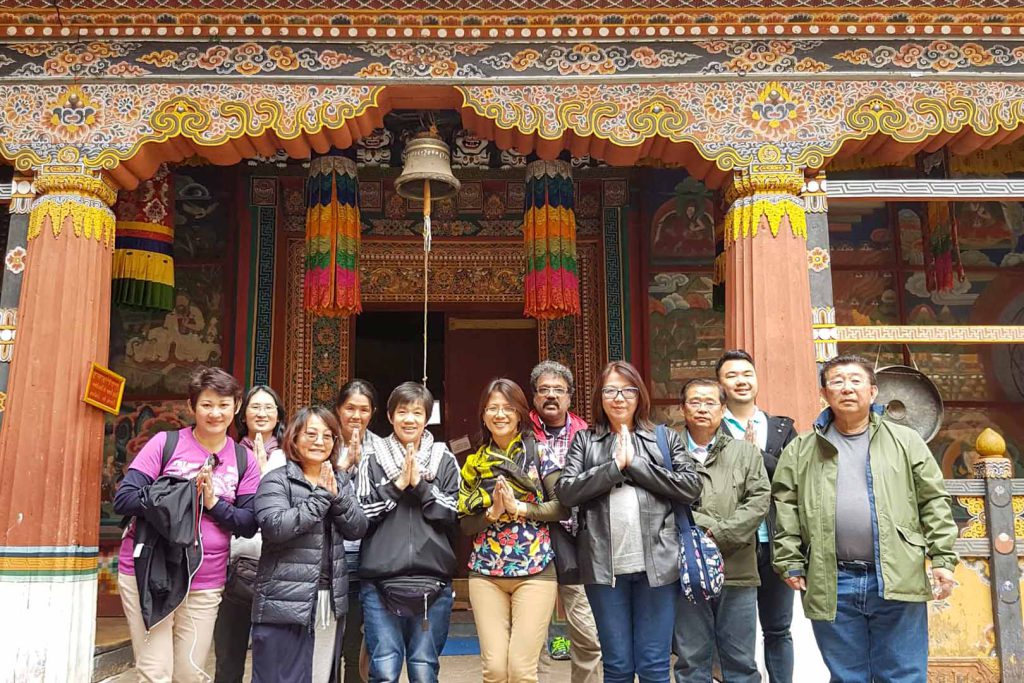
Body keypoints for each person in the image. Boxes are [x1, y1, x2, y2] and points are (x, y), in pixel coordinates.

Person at [773, 354, 959, 683]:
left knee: (902, 674)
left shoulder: (906, 441)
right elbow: (785, 506)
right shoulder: (801, 449)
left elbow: (934, 500)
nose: (847, 388)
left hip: (897, 574)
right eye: (837, 381)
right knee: (847, 676)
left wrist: (942, 557)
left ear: (873, 392)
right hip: (832, 579)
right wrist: (789, 559)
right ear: (824, 394)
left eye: (856, 381)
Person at [556, 360, 703, 683]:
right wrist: (612, 469)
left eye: (627, 390)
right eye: (610, 390)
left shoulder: (664, 437)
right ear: (600, 397)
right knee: (618, 665)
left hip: (659, 567)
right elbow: (566, 492)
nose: (619, 398)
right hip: (603, 567)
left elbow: (691, 486)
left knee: (653, 665)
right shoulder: (585, 441)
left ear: (640, 396)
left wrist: (634, 464)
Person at [113, 367, 260, 683]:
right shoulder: (165, 444)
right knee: (156, 671)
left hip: (206, 579)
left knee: (190, 673)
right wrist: (181, 493)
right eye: (207, 404)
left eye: (223, 404)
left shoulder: (243, 459)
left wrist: (213, 504)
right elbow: (124, 498)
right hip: (152, 571)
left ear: (237, 407)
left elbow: (248, 523)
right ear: (192, 407)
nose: (215, 413)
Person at [459, 378, 568, 683]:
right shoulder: (474, 463)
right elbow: (465, 523)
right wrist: (492, 514)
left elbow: (562, 507)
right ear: (483, 415)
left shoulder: (541, 455)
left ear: (520, 413)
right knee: (494, 670)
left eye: (507, 407)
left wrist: (520, 509)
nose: (500, 414)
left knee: (521, 671)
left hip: (535, 572)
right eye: (492, 408)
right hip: (486, 573)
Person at [251, 406, 369, 683]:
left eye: (327, 436)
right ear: (294, 438)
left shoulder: (339, 480)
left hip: (328, 598)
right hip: (284, 601)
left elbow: (357, 528)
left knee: (319, 675)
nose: (320, 442)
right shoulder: (277, 479)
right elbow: (275, 527)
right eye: (312, 434)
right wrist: (321, 497)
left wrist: (336, 497)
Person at [356, 382, 461, 683]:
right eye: (403, 412)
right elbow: (362, 515)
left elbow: (453, 512)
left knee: (424, 668)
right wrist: (398, 485)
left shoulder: (443, 458)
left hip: (434, 581)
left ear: (427, 418)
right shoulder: (372, 459)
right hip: (380, 581)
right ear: (390, 416)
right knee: (385, 671)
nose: (410, 419)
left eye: (418, 412)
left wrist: (422, 487)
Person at [671, 378, 770, 683]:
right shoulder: (666, 453)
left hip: (737, 568)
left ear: (723, 409)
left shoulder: (745, 452)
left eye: (710, 402)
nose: (702, 408)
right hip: (686, 569)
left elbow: (759, 500)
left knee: (740, 659)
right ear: (682, 408)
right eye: (694, 402)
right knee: (691, 659)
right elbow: (662, 503)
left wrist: (719, 535)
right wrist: (708, 528)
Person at [716, 349, 798, 683]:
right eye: (732, 375)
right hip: (735, 546)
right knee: (737, 632)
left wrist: (756, 456)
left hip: (777, 542)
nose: (741, 381)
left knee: (778, 628)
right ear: (720, 385)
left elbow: (794, 478)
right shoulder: (714, 428)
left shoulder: (781, 428)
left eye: (747, 373)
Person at [528, 360, 603, 683]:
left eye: (558, 390)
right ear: (533, 397)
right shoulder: (519, 434)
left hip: (578, 539)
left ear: (570, 398)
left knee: (586, 632)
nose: (551, 396)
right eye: (544, 390)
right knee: (532, 634)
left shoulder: (588, 436)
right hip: (530, 541)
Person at [214, 385, 288, 683]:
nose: (262, 413)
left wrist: (263, 476)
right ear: (242, 413)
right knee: (229, 658)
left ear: (279, 415)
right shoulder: (226, 452)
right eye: (255, 407)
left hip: (278, 568)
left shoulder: (291, 455)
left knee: (271, 659)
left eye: (269, 407)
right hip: (232, 565)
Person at [335, 379, 386, 683]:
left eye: (363, 409)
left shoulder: (382, 448)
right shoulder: (321, 442)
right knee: (331, 637)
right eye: (350, 408)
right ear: (338, 409)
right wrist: (342, 468)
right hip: (330, 555)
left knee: (360, 638)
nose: (356, 415)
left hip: (368, 555)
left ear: (373, 413)